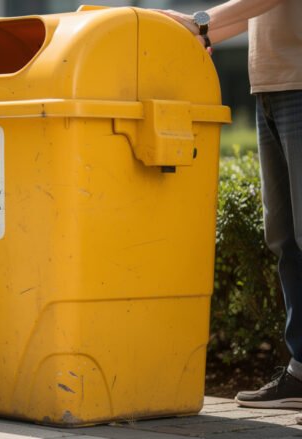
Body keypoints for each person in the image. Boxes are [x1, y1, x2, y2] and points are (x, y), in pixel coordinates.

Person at [159, 0, 302, 409]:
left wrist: (202, 21)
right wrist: (190, 33)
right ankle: (301, 372)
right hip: (272, 83)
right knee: (286, 238)